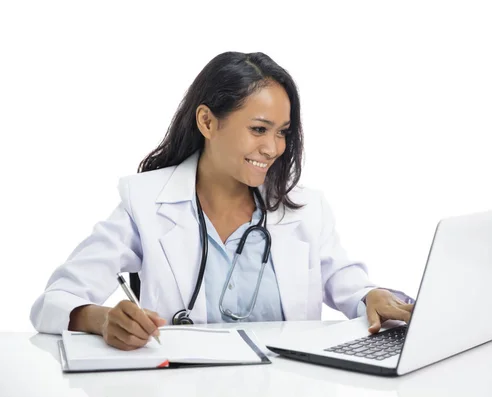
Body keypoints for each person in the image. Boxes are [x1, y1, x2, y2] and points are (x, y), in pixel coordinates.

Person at [30, 51, 415, 350]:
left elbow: (346, 282)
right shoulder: (146, 204)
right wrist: (102, 319)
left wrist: (371, 295)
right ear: (208, 122)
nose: (273, 148)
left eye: (282, 132)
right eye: (258, 129)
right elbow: (54, 301)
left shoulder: (305, 210)